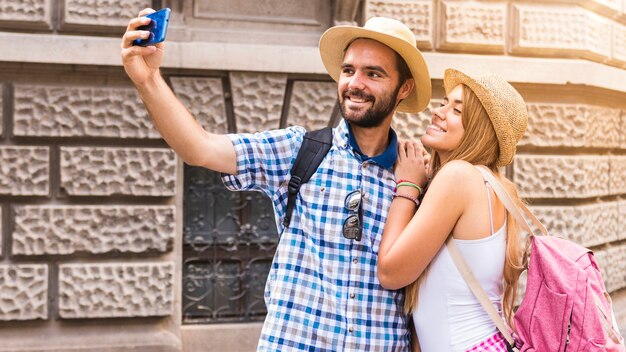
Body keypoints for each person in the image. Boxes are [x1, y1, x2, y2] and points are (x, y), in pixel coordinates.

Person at [121, 8, 432, 351]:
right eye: (348, 70)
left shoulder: (414, 179)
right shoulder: (299, 149)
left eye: (373, 73)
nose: (355, 83)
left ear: (404, 88)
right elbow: (200, 148)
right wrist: (147, 79)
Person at [377, 69, 528, 351]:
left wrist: (408, 186)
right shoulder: (493, 184)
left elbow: (390, 272)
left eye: (456, 110)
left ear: (478, 130)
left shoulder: (458, 176)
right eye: (445, 102)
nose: (439, 112)